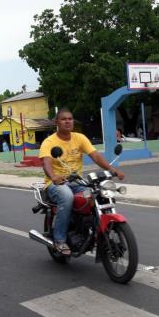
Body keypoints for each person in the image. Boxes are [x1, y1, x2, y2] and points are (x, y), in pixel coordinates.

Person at [40, 109, 126, 255]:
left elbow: (96, 156)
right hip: (56, 184)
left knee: (98, 194)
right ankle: (60, 240)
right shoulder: (49, 142)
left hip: (77, 181)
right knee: (67, 197)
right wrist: (53, 176)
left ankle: (94, 231)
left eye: (70, 119)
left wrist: (112, 169)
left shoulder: (79, 138)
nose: (68, 121)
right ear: (57, 122)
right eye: (64, 119)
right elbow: (46, 162)